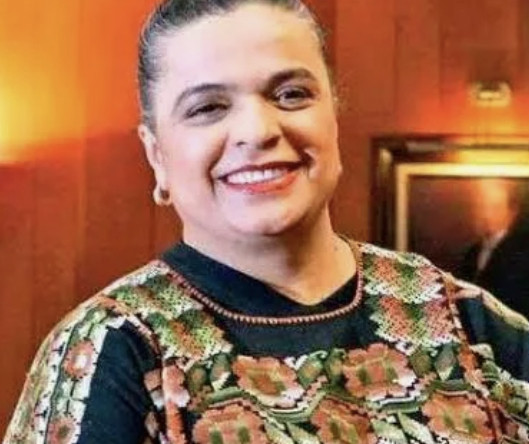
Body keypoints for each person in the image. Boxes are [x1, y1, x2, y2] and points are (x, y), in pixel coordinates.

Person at [5, 1, 529, 443]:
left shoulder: (465, 322)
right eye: (208, 107)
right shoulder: (115, 348)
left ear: (333, 116)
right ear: (157, 154)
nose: (257, 131)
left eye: (291, 95)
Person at [458, 178, 529, 318]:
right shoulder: (472, 252)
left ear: (511, 213)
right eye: (482, 207)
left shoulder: (522, 252)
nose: (487, 214)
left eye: (495, 208)